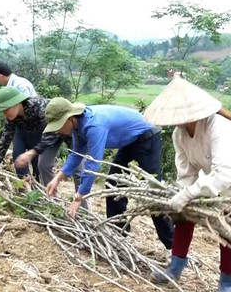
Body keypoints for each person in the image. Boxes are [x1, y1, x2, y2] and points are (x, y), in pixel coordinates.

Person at [144, 76, 231, 292]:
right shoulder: (179, 134)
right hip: (211, 181)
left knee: (228, 229)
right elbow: (187, 172)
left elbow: (224, 174)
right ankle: (176, 266)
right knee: (184, 215)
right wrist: (184, 194)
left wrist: (189, 194)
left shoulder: (221, 128)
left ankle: (227, 281)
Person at [42, 98, 175, 250]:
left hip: (146, 137)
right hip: (130, 141)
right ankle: (118, 235)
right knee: (113, 183)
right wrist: (57, 179)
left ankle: (173, 245)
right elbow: (77, 154)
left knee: (152, 193)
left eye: (58, 125)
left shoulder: (94, 125)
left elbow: (93, 164)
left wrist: (79, 197)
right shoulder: (77, 127)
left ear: (70, 118)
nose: (58, 130)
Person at [0, 87, 83, 199]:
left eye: (6, 110)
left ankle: (83, 205)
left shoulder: (40, 109)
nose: (5, 114)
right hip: (49, 135)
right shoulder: (12, 119)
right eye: (3, 112)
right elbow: (4, 142)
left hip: (68, 130)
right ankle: (52, 198)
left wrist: (31, 153)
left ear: (16, 103)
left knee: (78, 169)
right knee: (43, 165)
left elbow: (52, 134)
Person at [0, 62, 40, 180]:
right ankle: (25, 185)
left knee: (37, 160)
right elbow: (4, 142)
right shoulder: (10, 88)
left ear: (0, 76)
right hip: (20, 126)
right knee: (18, 156)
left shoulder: (21, 85)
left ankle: (40, 188)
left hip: (35, 127)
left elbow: (28, 107)